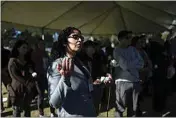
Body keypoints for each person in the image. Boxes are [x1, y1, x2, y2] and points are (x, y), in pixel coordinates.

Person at [47, 27, 96, 117]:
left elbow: (85, 90)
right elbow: (54, 103)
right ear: (65, 42)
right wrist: (65, 79)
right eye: (75, 37)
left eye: (81, 38)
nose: (80, 40)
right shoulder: (57, 65)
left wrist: (100, 84)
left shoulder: (81, 63)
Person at [113, 30, 144, 117]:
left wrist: (130, 63)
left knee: (134, 108)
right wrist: (135, 61)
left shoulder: (133, 49)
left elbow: (142, 63)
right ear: (120, 39)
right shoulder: (116, 51)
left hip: (135, 81)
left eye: (131, 37)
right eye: (128, 37)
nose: (130, 39)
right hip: (122, 82)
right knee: (120, 108)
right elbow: (125, 66)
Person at [7, 40, 36, 117]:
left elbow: (31, 71)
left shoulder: (27, 60)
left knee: (27, 109)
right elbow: (15, 75)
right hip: (17, 89)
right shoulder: (12, 61)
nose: (25, 49)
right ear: (18, 48)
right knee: (17, 111)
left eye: (26, 48)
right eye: (23, 47)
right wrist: (28, 83)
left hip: (27, 90)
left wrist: (33, 76)